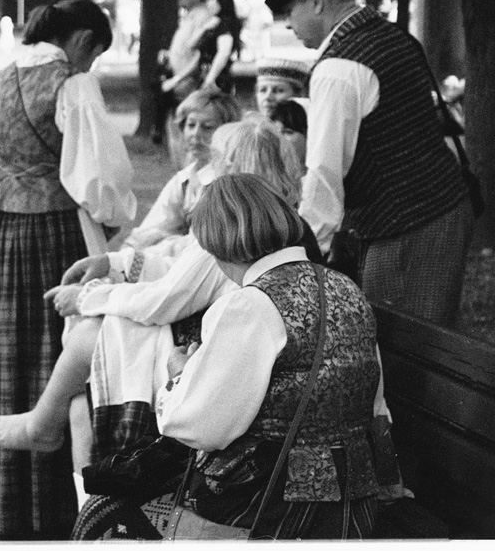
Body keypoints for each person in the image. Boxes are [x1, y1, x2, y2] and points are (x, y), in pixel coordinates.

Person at [0, 118, 317, 462]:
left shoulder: (233, 229)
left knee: (89, 342)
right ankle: (51, 435)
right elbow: (183, 268)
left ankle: (43, 428)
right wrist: (115, 264)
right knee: (83, 393)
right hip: (236, 337)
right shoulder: (278, 220)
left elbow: (164, 300)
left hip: (216, 348)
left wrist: (86, 298)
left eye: (216, 160)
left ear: (231, 168)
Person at [72, 173, 380, 540]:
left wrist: (179, 374)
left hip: (272, 509)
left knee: (101, 515)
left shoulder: (249, 306)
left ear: (215, 245)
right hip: (352, 504)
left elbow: (197, 428)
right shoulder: (346, 288)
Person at [0, 0, 137, 538]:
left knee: (1, 352)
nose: (91, 64)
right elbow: (99, 177)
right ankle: (51, 502)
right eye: (95, 53)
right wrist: (111, 223)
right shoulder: (72, 85)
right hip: (51, 229)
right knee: (54, 346)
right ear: (83, 40)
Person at [266, 0, 473, 329]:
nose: (288, 24)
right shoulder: (389, 35)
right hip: (440, 209)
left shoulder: (338, 68)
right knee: (425, 344)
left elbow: (324, 179)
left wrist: (296, 261)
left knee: (397, 349)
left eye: (289, 10)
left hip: (408, 228)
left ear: (316, 2)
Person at [125, 89, 241, 249]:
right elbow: (154, 225)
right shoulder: (185, 179)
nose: (196, 134)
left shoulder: (230, 182)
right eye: (191, 125)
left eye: (208, 127)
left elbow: (206, 244)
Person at [154, 0, 210, 143]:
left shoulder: (202, 17)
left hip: (187, 84)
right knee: (176, 132)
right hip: (177, 83)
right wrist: (169, 54)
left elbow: (200, 55)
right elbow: (186, 49)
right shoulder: (188, 16)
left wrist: (178, 79)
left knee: (186, 133)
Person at [191, 0, 242, 94]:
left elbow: (224, 53)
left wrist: (210, 79)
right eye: (208, 0)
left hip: (216, 81)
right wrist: (204, 28)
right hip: (204, 77)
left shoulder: (224, 25)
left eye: (212, 0)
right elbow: (191, 45)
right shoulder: (211, 24)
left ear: (222, 2)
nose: (208, 4)